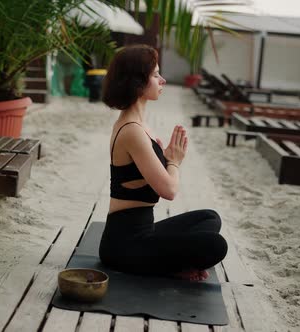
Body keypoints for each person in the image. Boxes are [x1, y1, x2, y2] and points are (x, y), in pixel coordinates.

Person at [98, 44, 228, 281]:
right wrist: (174, 162)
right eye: (156, 74)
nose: (163, 80)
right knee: (216, 245)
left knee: (210, 218)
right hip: (124, 246)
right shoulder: (132, 131)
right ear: (137, 82)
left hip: (144, 232)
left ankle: (173, 262)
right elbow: (168, 190)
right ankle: (174, 268)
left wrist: (166, 158)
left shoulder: (139, 125)